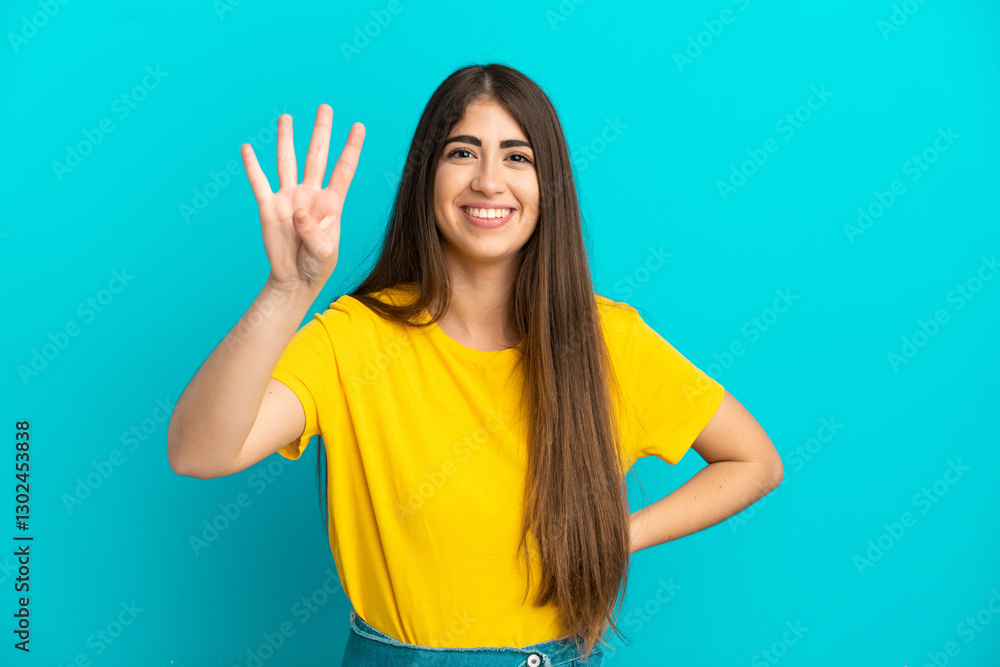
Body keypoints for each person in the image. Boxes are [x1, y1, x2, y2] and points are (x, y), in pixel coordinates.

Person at [167, 63, 783, 667]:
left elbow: (755, 460)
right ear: (425, 177)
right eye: (463, 152)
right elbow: (200, 452)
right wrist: (288, 289)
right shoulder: (354, 336)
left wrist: (615, 538)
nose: (489, 181)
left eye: (518, 157)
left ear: (551, 186)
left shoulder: (605, 340)